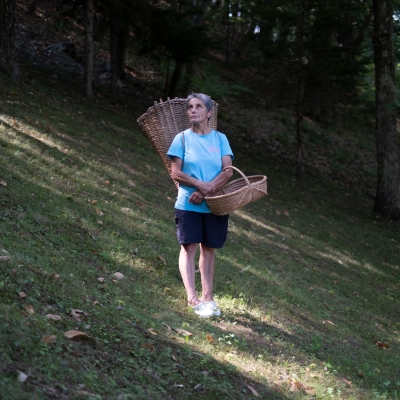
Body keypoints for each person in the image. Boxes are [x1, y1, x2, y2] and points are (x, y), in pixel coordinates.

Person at [167, 93, 234, 318]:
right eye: (189, 107)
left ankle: (208, 298)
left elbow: (228, 171)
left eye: (198, 107)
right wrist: (198, 185)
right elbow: (176, 172)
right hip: (188, 203)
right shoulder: (182, 139)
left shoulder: (220, 139)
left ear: (209, 112)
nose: (192, 110)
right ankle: (192, 298)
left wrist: (207, 189)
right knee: (189, 247)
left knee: (209, 248)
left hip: (214, 204)